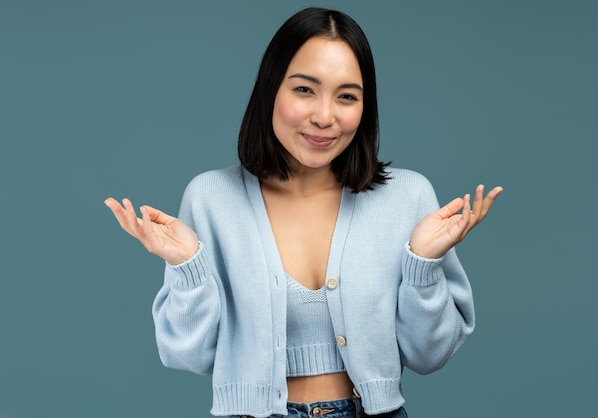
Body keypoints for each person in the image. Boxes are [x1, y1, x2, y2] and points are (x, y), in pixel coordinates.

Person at [104, 7, 502, 418]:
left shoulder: (408, 196)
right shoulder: (211, 198)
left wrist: (422, 266)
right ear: (271, 89)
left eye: (346, 96)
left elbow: (429, 356)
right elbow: (188, 356)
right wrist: (189, 269)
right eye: (305, 90)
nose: (325, 117)